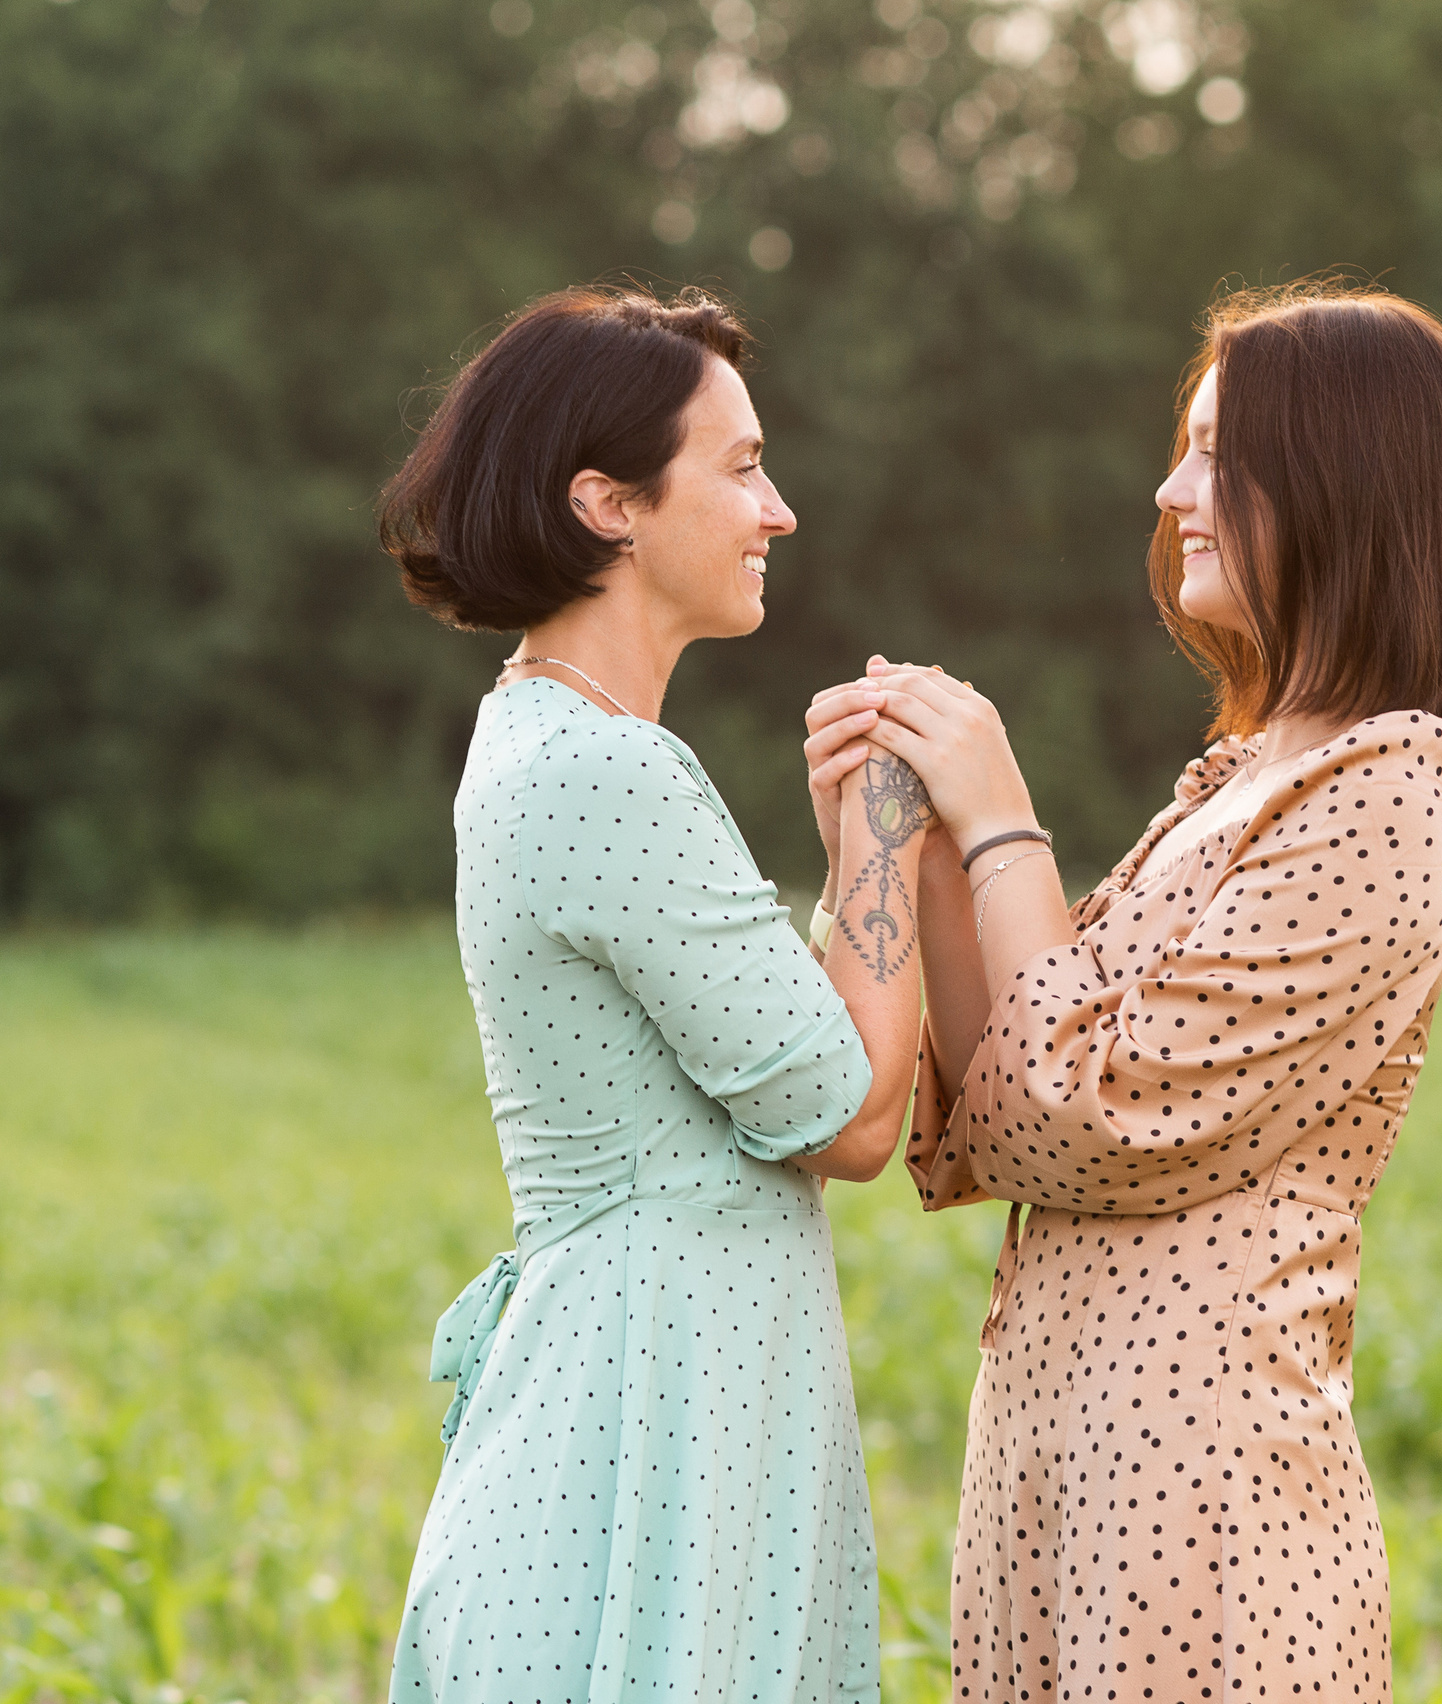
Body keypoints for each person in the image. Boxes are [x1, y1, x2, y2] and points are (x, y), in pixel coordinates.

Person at [804, 280, 1442, 1702]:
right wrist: (899, 829)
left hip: (1202, 1509)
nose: (1174, 489)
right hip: (1061, 1465)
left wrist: (1007, 819)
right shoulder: (1240, 777)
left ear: (1336, 481)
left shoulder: (1389, 792)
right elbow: (1008, 1081)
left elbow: (1085, 1111)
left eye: (1217, 452)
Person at [377, 286, 927, 1704]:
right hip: (649, 1431)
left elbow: (780, 1058)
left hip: (653, 1393)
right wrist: (885, 831)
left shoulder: (550, 739)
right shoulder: (604, 769)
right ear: (608, 504)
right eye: (741, 468)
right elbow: (852, 1115)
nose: (779, 510)